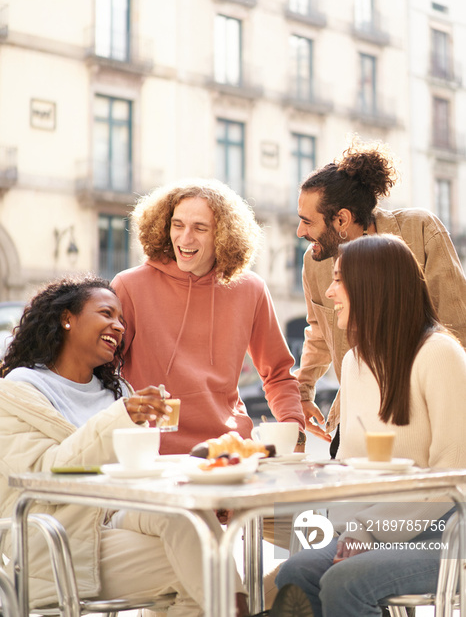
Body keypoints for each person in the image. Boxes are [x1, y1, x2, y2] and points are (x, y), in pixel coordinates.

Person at [0, 275, 249, 617]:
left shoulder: (118, 394)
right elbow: (46, 474)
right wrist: (119, 417)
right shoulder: (17, 392)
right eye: (106, 313)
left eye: (121, 320)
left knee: (189, 518)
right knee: (198, 567)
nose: (118, 326)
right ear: (66, 318)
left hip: (115, 520)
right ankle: (243, 609)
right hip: (59, 538)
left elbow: (138, 473)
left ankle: (239, 608)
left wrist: (202, 501)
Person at [276, 234, 466, 616]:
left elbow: (453, 476)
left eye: (338, 279)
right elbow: (354, 467)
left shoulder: (440, 355)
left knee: (346, 580)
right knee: (295, 572)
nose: (329, 293)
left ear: (372, 286)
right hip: (380, 526)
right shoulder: (355, 362)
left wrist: (367, 531)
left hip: (447, 533)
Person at [295, 136, 466, 452]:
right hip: (356, 410)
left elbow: (459, 325)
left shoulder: (421, 230)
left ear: (342, 220)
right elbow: (319, 331)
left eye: (307, 221)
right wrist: (302, 391)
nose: (300, 231)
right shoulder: (313, 262)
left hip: (418, 405)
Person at [112, 178, 306, 456]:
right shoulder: (129, 287)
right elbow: (101, 373)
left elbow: (278, 374)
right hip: (153, 453)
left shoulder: (251, 289)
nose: (185, 238)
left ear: (223, 235)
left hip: (230, 451)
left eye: (199, 228)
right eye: (177, 225)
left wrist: (293, 429)